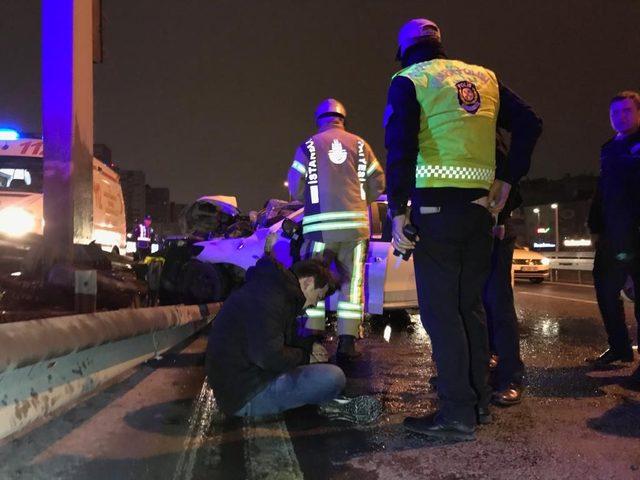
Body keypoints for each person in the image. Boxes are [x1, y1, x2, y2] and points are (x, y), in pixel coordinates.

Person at [385, 18, 542, 441]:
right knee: (470, 307)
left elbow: (400, 147)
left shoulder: (409, 80)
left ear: (405, 50)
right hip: (479, 212)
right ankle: (477, 404)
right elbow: (530, 122)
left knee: (441, 314)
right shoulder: (483, 77)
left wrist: (397, 209)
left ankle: (456, 411)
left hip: (436, 210)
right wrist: (508, 178)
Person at [205, 256, 382, 422]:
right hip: (245, 395)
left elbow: (277, 338)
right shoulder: (270, 299)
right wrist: (305, 357)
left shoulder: (271, 291)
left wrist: (308, 347)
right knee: (333, 377)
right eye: (318, 297)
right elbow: (269, 356)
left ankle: (330, 401)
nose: (314, 304)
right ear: (308, 283)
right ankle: (332, 403)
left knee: (317, 369)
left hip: (242, 385)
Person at [288, 99, 385, 359]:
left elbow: (295, 188)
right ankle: (347, 343)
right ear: (343, 118)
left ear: (319, 119)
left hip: (320, 230)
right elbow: (379, 182)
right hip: (354, 229)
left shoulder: (308, 146)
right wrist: (358, 201)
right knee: (352, 285)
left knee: (313, 280)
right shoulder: (361, 145)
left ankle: (313, 337)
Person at [484, 127, 542, 408]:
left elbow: (509, 184)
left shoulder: (490, 142)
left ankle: (511, 377)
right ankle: (482, 367)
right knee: (476, 304)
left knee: (499, 304)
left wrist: (501, 219)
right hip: (471, 235)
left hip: (496, 233)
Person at [587, 90, 640, 379]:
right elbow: (602, 192)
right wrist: (594, 226)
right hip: (611, 234)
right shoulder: (608, 148)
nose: (620, 117)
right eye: (615, 112)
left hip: (637, 233)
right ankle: (619, 346)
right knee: (606, 290)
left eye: (626, 111)